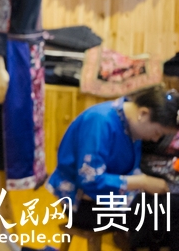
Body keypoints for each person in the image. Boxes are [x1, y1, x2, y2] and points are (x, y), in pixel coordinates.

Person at [47, 87, 178, 233]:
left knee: (168, 203)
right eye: (157, 133)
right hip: (83, 203)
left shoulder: (129, 124)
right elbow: (90, 180)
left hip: (109, 195)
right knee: (165, 209)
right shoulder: (99, 120)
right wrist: (143, 182)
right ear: (143, 113)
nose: (155, 139)